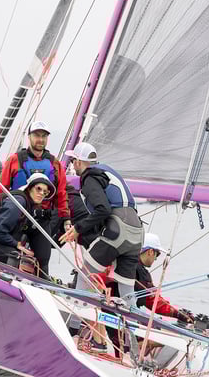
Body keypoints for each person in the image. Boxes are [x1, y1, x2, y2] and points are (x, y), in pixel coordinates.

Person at [60, 142, 144, 334]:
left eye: (73, 161)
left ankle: (72, 330)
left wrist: (78, 229)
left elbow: (103, 209)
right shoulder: (107, 172)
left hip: (117, 231)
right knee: (127, 291)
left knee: (85, 276)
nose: (72, 165)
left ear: (79, 161)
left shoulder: (90, 177)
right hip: (137, 233)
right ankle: (135, 336)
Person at [0, 121, 70, 276]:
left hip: (41, 220)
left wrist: (66, 218)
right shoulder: (15, 160)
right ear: (29, 137)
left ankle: (42, 285)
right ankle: (6, 280)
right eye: (36, 135)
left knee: (43, 259)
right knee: (10, 254)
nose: (40, 139)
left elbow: (61, 193)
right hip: (18, 218)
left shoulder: (55, 163)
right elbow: (0, 190)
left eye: (44, 136)